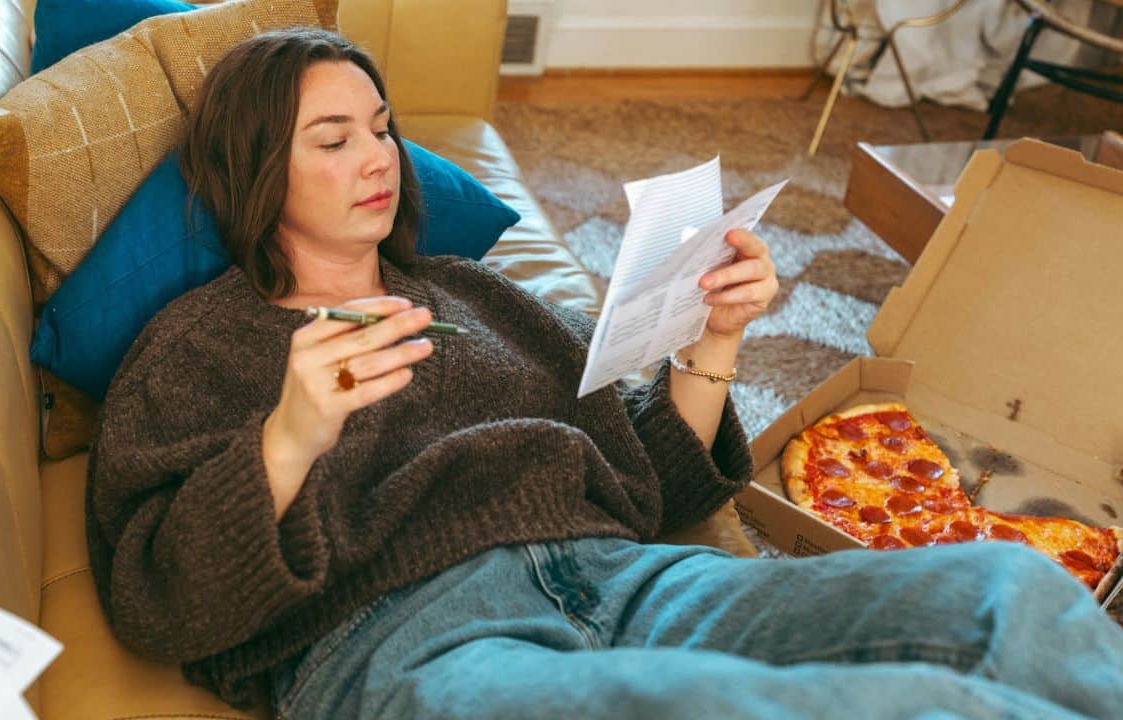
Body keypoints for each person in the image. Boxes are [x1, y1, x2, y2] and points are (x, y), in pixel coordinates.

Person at [86, 27, 1123, 720]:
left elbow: (651, 479)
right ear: (255, 167)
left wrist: (714, 339)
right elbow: (158, 601)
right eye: (333, 139)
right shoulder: (196, 347)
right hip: (412, 644)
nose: (379, 158)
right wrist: (287, 440)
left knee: (1011, 592)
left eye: (383, 129)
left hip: (621, 582)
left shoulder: (472, 293)